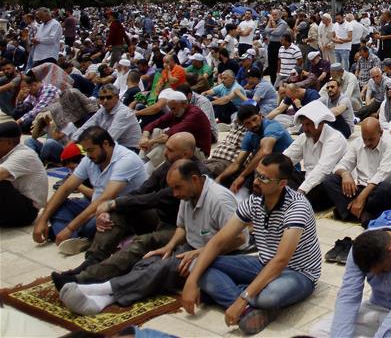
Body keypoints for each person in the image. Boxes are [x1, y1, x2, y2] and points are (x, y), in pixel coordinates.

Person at [57, 159, 245, 316]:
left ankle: (98, 289)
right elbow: (182, 227)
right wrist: (169, 246)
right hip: (191, 248)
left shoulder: (219, 199)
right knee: (148, 261)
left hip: (218, 256)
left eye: (178, 187)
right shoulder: (188, 195)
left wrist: (201, 252)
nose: (175, 194)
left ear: (195, 179)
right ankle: (104, 300)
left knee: (167, 266)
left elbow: (240, 239)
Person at [182, 154, 321, 335]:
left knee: (269, 297)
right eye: (257, 174)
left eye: (264, 178)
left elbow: (281, 260)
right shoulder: (255, 200)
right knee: (197, 264)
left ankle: (237, 297)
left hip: (298, 273)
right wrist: (190, 282)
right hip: (263, 264)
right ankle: (249, 311)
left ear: (281, 184)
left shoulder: (297, 207)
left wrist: (243, 298)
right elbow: (218, 241)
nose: (256, 181)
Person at [33, 127, 148, 254]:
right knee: (58, 207)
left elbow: (105, 199)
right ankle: (79, 239)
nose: (88, 155)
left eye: (91, 150)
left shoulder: (126, 160)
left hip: (120, 210)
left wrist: (70, 228)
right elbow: (65, 189)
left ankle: (75, 235)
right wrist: (42, 219)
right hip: (93, 204)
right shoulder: (90, 159)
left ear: (105, 144)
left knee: (91, 226)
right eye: (86, 151)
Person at [323, 118, 391, 226]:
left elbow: (383, 173)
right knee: (330, 180)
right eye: (365, 139)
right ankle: (363, 214)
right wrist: (345, 174)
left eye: (371, 139)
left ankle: (350, 211)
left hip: (382, 192)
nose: (367, 143)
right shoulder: (357, 143)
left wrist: (361, 199)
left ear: (381, 133)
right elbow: (342, 164)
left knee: (385, 189)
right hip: (362, 188)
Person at [283, 100, 348, 211]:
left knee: (295, 194)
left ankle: (294, 201)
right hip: (309, 179)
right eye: (303, 124)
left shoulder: (335, 138)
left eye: (308, 124)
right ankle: (293, 200)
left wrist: (301, 191)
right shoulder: (305, 137)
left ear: (320, 123)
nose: (305, 128)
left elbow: (322, 170)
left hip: (325, 185)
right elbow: (286, 158)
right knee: (283, 171)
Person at [216, 104, 294, 195]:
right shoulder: (249, 135)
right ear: (243, 124)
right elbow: (237, 163)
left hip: (287, 171)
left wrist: (242, 176)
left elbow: (265, 151)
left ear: (260, 115)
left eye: (254, 119)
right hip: (264, 170)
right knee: (230, 180)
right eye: (248, 123)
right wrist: (218, 179)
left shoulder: (273, 127)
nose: (253, 124)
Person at [141, 87, 213, 159]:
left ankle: (147, 166)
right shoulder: (176, 110)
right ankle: (142, 159)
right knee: (155, 131)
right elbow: (152, 125)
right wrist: (144, 138)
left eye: (173, 108)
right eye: (170, 108)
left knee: (170, 145)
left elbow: (169, 135)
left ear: (184, 104)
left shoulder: (195, 114)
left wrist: (150, 142)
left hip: (199, 152)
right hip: (185, 146)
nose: (171, 111)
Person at [0, 120, 48, 227]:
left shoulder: (23, 155)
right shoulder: (5, 153)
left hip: (26, 212)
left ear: (8, 142)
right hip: (15, 202)